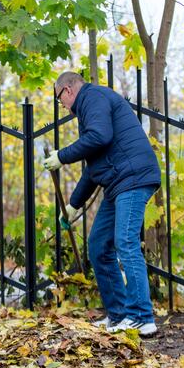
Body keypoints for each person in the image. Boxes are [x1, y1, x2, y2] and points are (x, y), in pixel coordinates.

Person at [43, 71, 161, 337]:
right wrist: (74, 205)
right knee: (98, 245)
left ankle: (143, 318)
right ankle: (119, 316)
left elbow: (99, 137)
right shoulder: (88, 109)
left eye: (59, 98)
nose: (61, 105)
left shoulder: (93, 97)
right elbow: (93, 167)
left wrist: (62, 156)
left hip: (133, 177)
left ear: (68, 90)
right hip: (119, 182)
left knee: (126, 243)